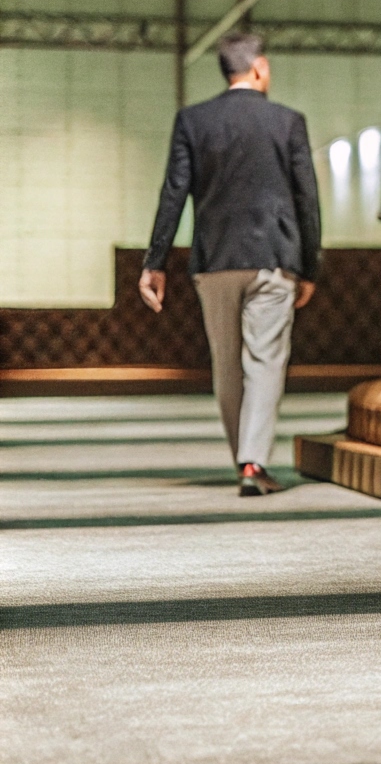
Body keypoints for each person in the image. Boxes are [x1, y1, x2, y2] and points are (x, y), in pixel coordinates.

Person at [140, 32, 320, 497]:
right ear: (259, 68)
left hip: (214, 260)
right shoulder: (288, 122)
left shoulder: (193, 121)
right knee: (264, 361)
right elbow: (307, 200)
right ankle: (253, 464)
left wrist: (154, 261)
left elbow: (173, 193)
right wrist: (311, 267)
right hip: (272, 260)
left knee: (226, 364)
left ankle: (243, 456)